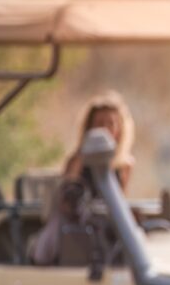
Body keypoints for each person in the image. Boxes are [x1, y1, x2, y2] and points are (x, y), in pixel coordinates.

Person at [30, 91, 135, 266]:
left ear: (120, 128)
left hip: (106, 224)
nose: (106, 129)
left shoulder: (125, 165)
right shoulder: (78, 159)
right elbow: (66, 199)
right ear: (89, 128)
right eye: (100, 124)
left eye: (111, 123)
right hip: (77, 224)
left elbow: (120, 204)